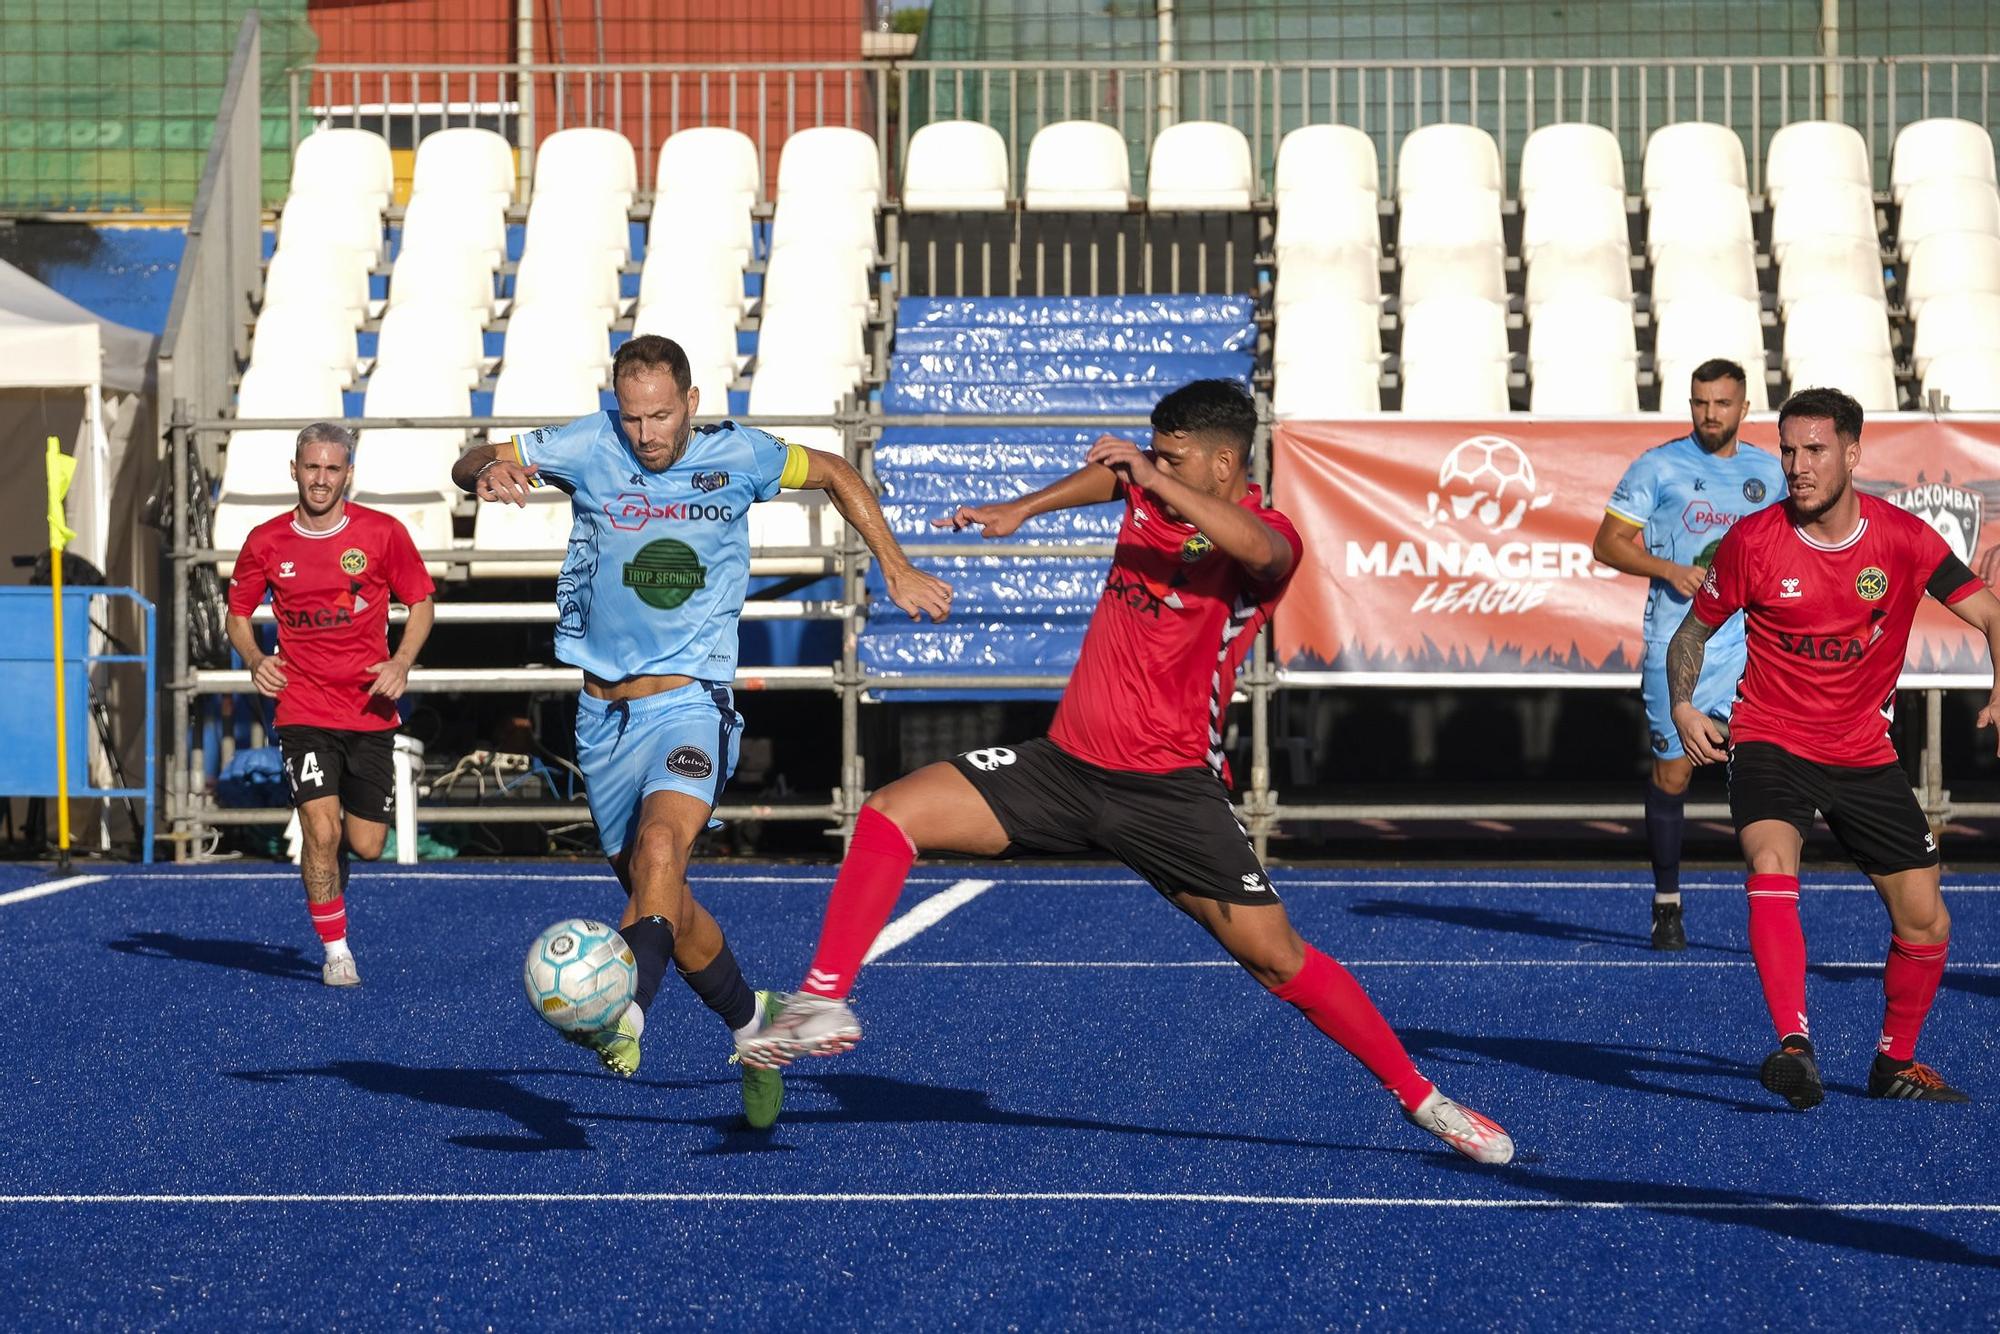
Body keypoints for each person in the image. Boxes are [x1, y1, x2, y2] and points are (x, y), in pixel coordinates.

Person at [738, 379, 1515, 1164]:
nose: (1153, 466)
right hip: (1064, 767)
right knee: (890, 812)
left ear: (1223, 463)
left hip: (1168, 792)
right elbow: (1117, 477)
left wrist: (1153, 478)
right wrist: (1023, 509)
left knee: (1278, 959)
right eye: (1153, 453)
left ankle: (1425, 1101)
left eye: (1174, 457)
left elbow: (1261, 550)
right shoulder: (1151, 490)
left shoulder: (1264, 534)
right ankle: (823, 1001)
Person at [453, 334, 951, 1130]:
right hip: (600, 718)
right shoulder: (587, 442)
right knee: (665, 902)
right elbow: (473, 454)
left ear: (691, 401)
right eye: (632, 417)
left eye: (660, 415)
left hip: (690, 703)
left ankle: (627, 1013)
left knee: (661, 849)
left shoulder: (741, 454)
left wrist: (892, 563)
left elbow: (834, 471)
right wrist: (485, 469)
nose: (646, 434)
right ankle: (756, 1027)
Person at [1670, 385, 2000, 1108]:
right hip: (1770, 738)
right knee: (1769, 859)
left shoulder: (1903, 541)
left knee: (1927, 919)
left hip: (1861, 751)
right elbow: (1692, 632)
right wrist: (1684, 704)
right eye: (1788, 450)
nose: (1798, 465)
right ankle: (1795, 1044)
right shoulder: (1753, 541)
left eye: (1814, 449)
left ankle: (1894, 1065)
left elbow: (1989, 612)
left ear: (1854, 452)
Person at [224, 423, 437, 987]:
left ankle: (330, 858)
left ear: (348, 474)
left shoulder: (383, 533)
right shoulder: (266, 541)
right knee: (320, 831)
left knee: (364, 845)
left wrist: (401, 662)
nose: (321, 479)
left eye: (332, 469)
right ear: (293, 469)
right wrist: (253, 658)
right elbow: (238, 613)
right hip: (302, 709)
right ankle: (336, 948)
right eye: (312, 467)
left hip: (369, 710)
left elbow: (421, 603)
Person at [1592, 358, 1787, 951]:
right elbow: (1607, 543)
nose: (1710, 414)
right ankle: (1667, 902)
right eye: (1700, 403)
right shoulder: (1659, 466)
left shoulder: (1769, 473)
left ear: (1744, 408)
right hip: (1677, 642)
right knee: (1672, 773)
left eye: (1722, 403)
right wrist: (1669, 568)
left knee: (1762, 774)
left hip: (1751, 644)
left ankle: (1773, 903)